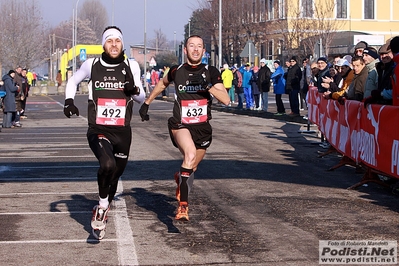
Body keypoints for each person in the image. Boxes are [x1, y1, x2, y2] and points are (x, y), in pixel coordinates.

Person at [63, 26, 145, 239]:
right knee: (106, 164)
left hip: (122, 132)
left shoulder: (131, 65)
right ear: (103, 44)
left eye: (118, 41)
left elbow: (142, 97)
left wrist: (134, 91)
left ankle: (104, 203)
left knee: (115, 175)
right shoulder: (92, 65)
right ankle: (101, 208)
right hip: (98, 128)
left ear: (123, 44)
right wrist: (68, 101)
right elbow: (72, 81)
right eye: (110, 41)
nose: (114, 44)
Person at [138, 35, 230, 221]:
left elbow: (226, 100)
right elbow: (163, 83)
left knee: (191, 167)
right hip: (180, 124)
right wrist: (147, 102)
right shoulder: (176, 71)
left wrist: (208, 87)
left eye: (199, 46)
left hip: (202, 128)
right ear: (185, 50)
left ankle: (180, 177)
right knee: (188, 156)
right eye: (191, 46)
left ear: (204, 51)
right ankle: (183, 207)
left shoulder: (210, 71)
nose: (195, 49)